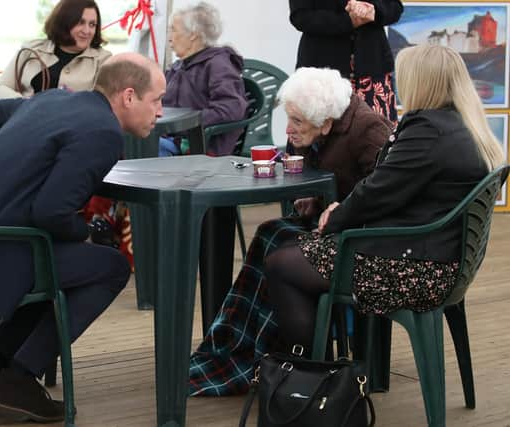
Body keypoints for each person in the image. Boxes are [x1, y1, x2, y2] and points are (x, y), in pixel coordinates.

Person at [0, 52, 166, 423]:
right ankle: (20, 378)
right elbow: (50, 212)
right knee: (112, 267)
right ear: (129, 96)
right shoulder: (103, 133)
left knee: (66, 265)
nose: (161, 111)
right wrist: (85, 233)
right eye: (157, 100)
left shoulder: (53, 98)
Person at [263, 44, 505, 360]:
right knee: (290, 251)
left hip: (414, 267)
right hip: (440, 260)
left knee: (280, 263)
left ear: (421, 81)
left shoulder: (426, 130)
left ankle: (307, 373)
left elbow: (378, 191)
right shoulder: (460, 126)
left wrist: (336, 216)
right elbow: (391, 188)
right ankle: (315, 363)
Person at [188, 67, 392, 396]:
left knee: (281, 256)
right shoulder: (312, 128)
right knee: (269, 233)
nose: (288, 129)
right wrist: (313, 200)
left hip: (360, 237)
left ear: (326, 121)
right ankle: (239, 346)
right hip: (327, 226)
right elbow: (304, 168)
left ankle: (312, 366)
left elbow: (385, 192)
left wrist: (339, 208)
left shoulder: (368, 130)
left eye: (297, 122)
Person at [289, 0, 403, 125]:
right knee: (321, 136)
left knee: (378, 135)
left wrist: (373, 11)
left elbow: (395, 7)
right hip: (321, 73)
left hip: (373, 68)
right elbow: (300, 16)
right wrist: (348, 21)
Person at [160, 1, 247, 157]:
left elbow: (231, 108)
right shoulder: (178, 67)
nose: (169, 38)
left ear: (193, 34)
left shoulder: (218, 64)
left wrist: (184, 124)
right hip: (170, 139)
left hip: (197, 147)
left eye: (173, 30)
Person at [0, 0, 112, 100]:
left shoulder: (104, 61)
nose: (87, 31)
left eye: (92, 25)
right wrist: (26, 106)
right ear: (64, 22)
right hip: (25, 122)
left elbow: (104, 105)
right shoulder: (30, 49)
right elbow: (1, 87)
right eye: (80, 23)